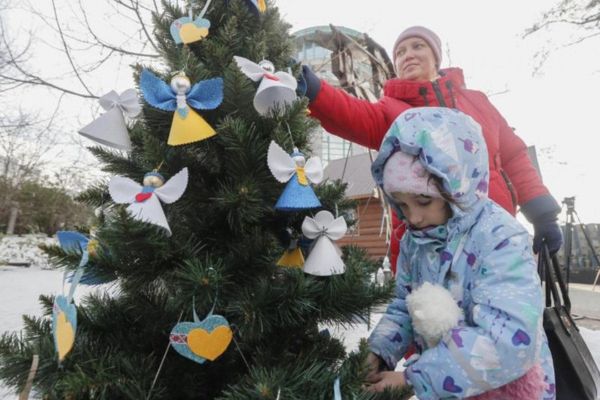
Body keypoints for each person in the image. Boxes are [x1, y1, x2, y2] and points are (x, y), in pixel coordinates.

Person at [301, 26, 563, 272]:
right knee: (431, 306)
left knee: (502, 299)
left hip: (493, 235)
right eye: (400, 52)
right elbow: (351, 114)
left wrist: (542, 214)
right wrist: (314, 89)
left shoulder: (478, 102)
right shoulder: (391, 111)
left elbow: (513, 156)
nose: (408, 55)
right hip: (426, 246)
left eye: (418, 46)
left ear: (436, 57)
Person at [363, 107, 555, 399]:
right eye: (401, 204)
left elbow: (510, 339)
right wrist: (379, 351)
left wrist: (415, 379)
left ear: (457, 188)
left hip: (508, 391)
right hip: (451, 388)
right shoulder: (415, 241)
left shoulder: (499, 238)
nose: (413, 217)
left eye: (424, 200)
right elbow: (405, 305)